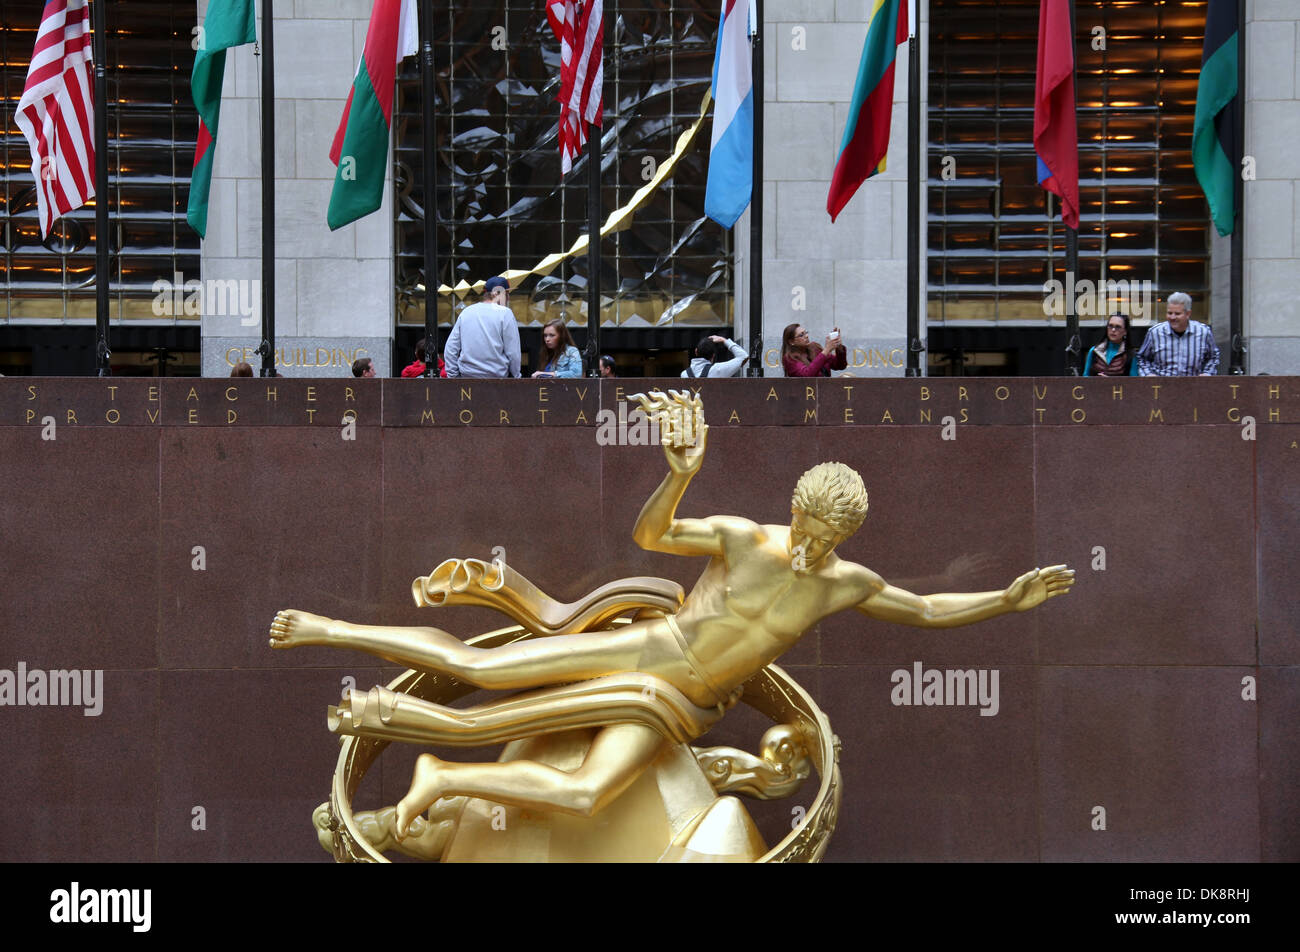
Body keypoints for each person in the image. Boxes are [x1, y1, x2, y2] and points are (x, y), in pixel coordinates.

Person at [270, 391, 1074, 830]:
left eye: (826, 536)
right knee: (482, 667)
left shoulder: (845, 583)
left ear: (845, 536)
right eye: (804, 525)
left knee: (588, 795)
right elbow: (651, 533)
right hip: (648, 652)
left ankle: (440, 775)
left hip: (681, 709)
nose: (808, 544)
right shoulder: (741, 538)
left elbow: (927, 609)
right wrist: (681, 472)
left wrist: (1006, 601)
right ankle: (328, 630)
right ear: (792, 511)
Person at [444, 276, 522, 378]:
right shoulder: (505, 313)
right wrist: (516, 376)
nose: (508, 298)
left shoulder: (467, 312)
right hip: (496, 382)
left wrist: (454, 376)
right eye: (506, 294)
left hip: (466, 381)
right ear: (496, 293)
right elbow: (513, 352)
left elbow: (450, 348)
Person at [1135, 292, 1220, 376]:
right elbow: (1142, 358)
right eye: (1169, 313)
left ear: (1188, 314)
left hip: (1193, 385)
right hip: (1162, 386)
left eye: (1177, 314)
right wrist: (1148, 375)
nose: (1172, 317)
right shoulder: (1155, 333)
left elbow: (1213, 356)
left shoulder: (1203, 332)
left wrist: (1207, 374)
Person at [781, 323, 847, 377]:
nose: (806, 336)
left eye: (806, 332)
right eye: (801, 335)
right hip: (808, 392)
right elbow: (807, 375)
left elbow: (840, 365)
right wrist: (826, 350)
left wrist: (839, 347)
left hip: (826, 388)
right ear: (791, 342)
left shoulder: (815, 348)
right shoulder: (789, 358)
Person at [681, 335, 747, 378]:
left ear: (696, 351)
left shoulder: (684, 374)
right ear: (713, 355)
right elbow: (744, 356)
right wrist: (724, 340)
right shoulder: (718, 369)